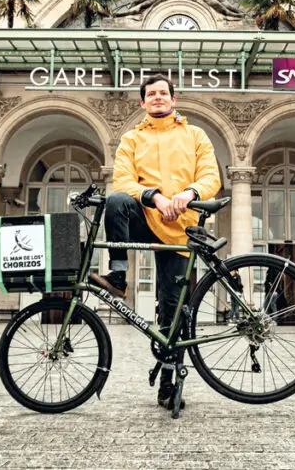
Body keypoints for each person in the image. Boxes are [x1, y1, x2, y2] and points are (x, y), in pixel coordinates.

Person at [90, 74, 220, 410]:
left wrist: (187, 194)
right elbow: (123, 180)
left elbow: (211, 176)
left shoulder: (195, 135)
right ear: (142, 103)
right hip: (147, 218)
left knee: (171, 313)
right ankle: (118, 275)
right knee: (116, 200)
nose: (158, 98)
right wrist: (156, 198)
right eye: (152, 94)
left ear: (173, 100)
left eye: (164, 93)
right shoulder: (132, 138)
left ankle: (168, 385)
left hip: (182, 228)